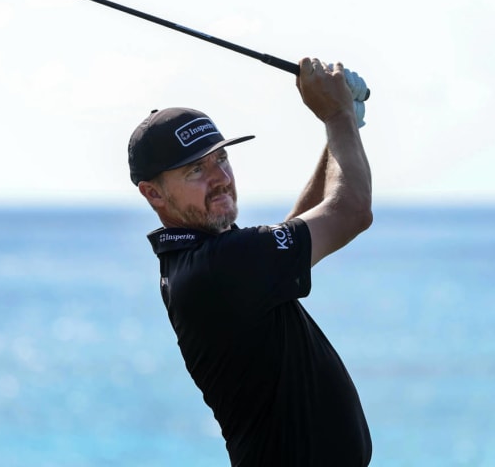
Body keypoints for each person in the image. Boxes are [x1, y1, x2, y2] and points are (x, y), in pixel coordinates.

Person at [127, 57, 373, 466]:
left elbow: (294, 232)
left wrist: (342, 130)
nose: (220, 176)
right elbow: (352, 211)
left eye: (220, 159)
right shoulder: (218, 267)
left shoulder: (204, 254)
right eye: (195, 170)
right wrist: (337, 114)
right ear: (153, 194)